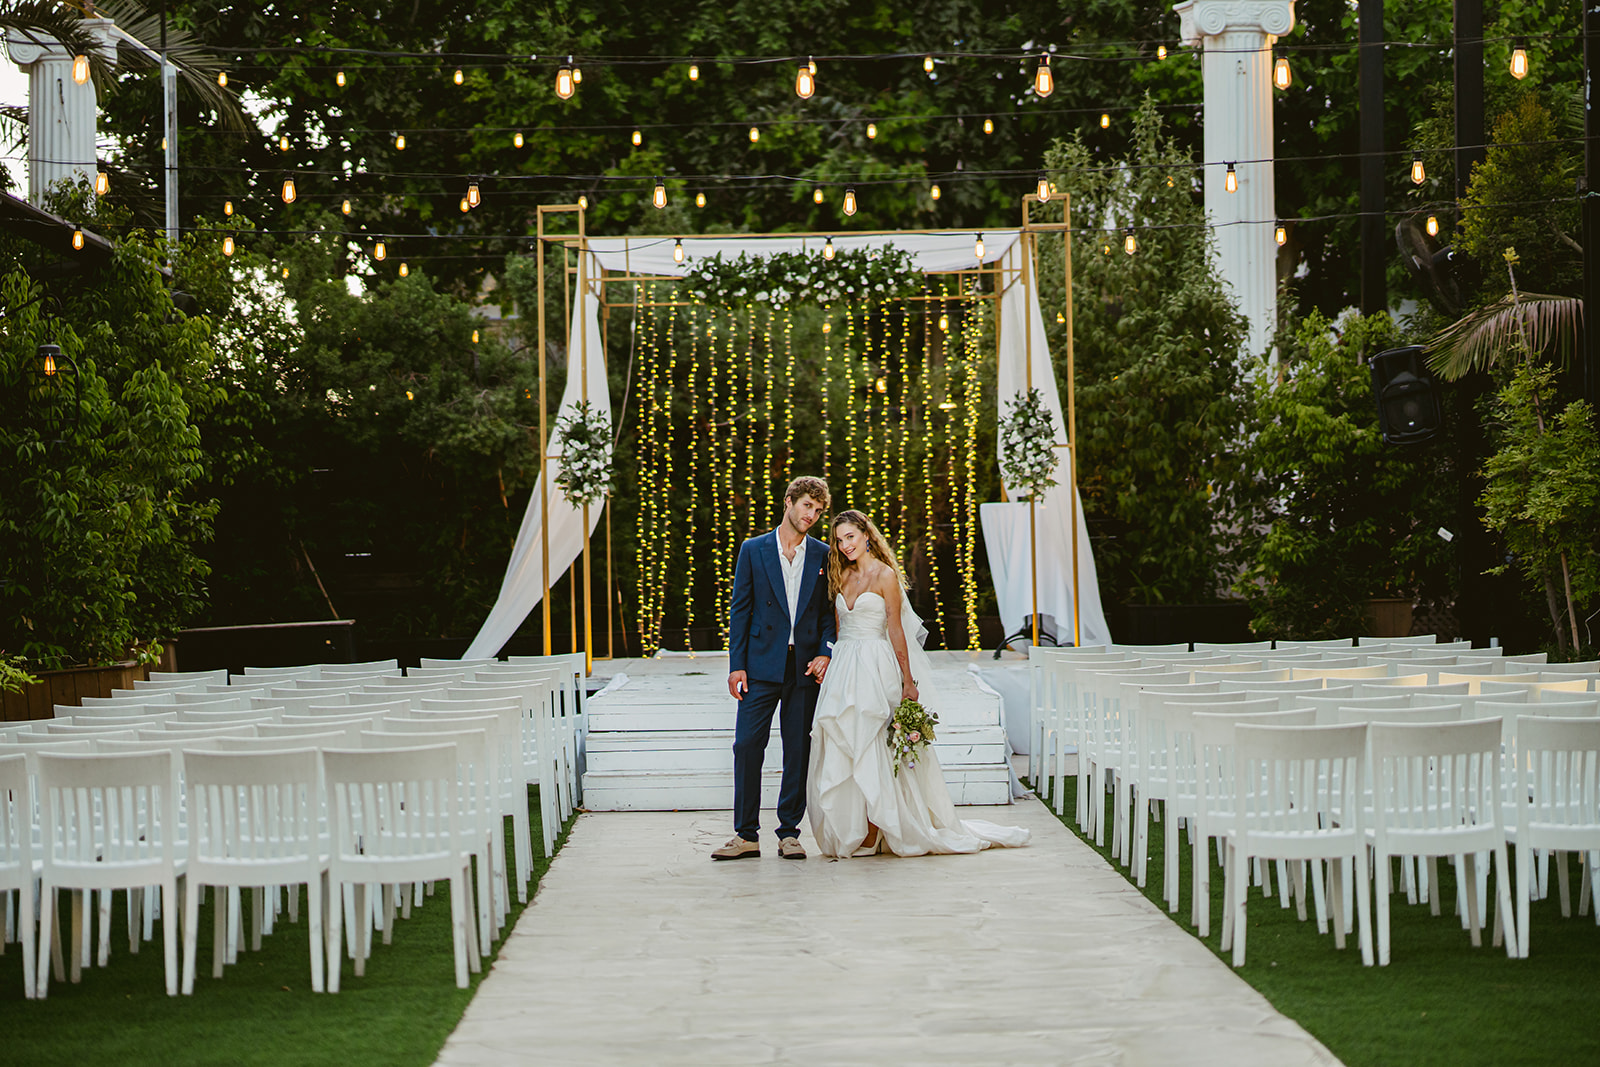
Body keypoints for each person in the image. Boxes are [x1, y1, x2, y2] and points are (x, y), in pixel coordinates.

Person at [807, 510, 1030, 857]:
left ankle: (878, 826)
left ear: (866, 535)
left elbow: (896, 630)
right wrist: (829, 661)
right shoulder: (840, 575)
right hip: (844, 667)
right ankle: (855, 826)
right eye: (839, 540)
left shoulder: (885, 576)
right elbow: (838, 627)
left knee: (874, 743)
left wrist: (908, 680)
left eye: (850, 537)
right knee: (844, 743)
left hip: (875, 665)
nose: (845, 545)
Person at [714, 477, 836, 860]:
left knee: (798, 749)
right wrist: (736, 665)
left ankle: (789, 833)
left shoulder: (823, 554)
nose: (812, 515)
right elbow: (740, 609)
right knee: (747, 745)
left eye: (818, 510)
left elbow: (830, 613)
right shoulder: (753, 549)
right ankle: (746, 835)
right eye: (807, 506)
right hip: (760, 663)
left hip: (804, 667)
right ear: (789, 502)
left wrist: (826, 652)